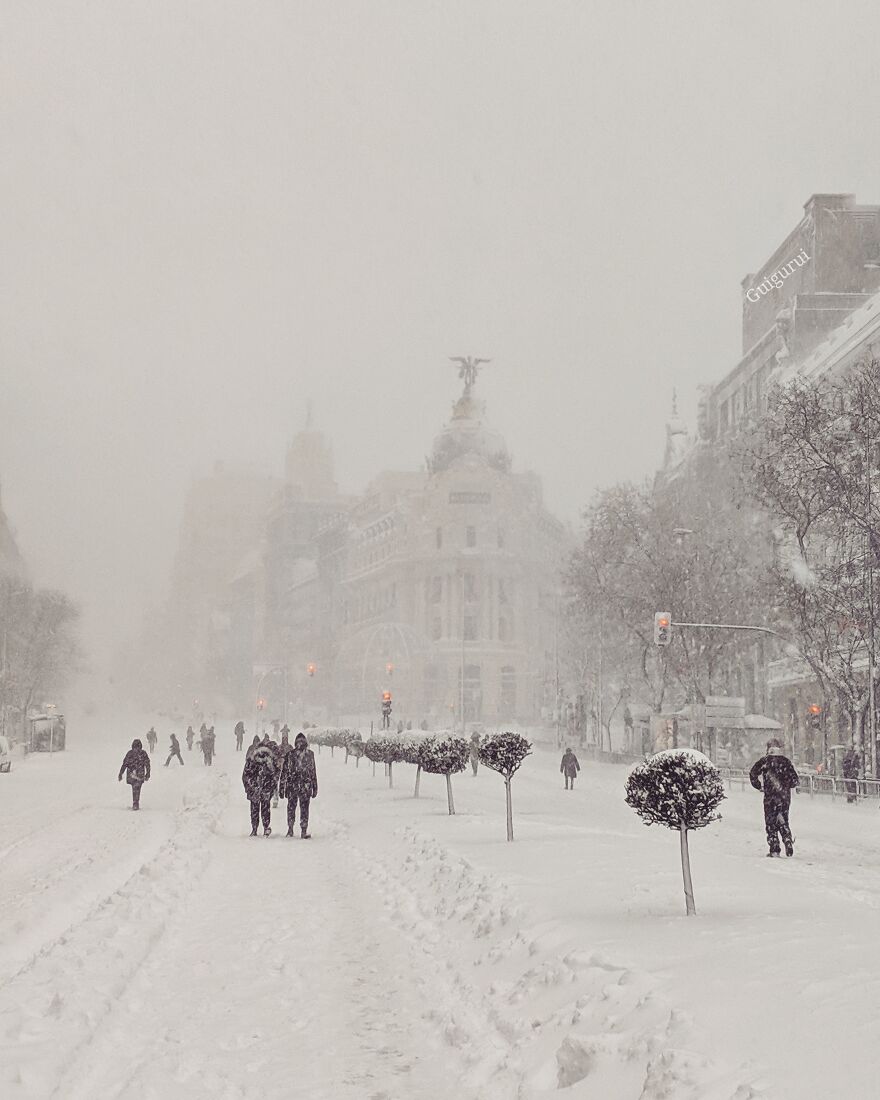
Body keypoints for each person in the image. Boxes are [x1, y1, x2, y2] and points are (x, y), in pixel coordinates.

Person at [749, 739, 799, 857]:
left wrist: (759, 785)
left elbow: (753, 773)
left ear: (768, 749)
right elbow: (795, 780)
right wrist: (785, 786)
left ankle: (774, 848)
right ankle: (787, 838)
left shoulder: (764, 761)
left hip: (770, 796)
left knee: (771, 821)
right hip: (784, 797)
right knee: (783, 818)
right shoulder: (786, 762)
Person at [280, 731, 318, 838]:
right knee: (303, 809)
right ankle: (302, 830)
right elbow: (313, 772)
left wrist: (282, 788)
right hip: (304, 786)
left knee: (291, 808)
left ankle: (291, 829)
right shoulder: (309, 755)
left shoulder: (290, 754)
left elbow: (284, 773)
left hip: (293, 786)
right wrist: (314, 787)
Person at [242, 738, 277, 836]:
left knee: (254, 810)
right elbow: (274, 777)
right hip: (265, 790)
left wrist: (249, 788)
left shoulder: (251, 760)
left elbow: (245, 776)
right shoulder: (269, 762)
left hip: (255, 790)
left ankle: (254, 829)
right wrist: (270, 789)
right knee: (265, 810)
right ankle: (265, 827)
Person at [118, 738, 151, 809]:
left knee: (135, 787)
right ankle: (136, 803)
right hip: (139, 773)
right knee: (137, 787)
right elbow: (147, 764)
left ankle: (135, 803)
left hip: (132, 773)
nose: (136, 749)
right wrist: (148, 773)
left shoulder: (130, 753)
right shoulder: (143, 753)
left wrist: (121, 773)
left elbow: (125, 764)